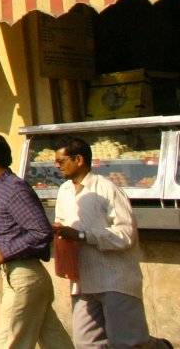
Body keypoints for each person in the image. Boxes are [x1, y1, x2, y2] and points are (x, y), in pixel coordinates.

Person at [51, 137, 172, 349]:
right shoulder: (64, 192)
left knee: (126, 343)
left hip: (115, 278)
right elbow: (62, 224)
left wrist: (82, 236)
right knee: (86, 343)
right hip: (82, 279)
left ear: (78, 159)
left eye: (61, 161)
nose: (57, 166)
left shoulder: (107, 190)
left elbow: (125, 234)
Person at [0, 131, 72, 348]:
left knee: (9, 343)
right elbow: (8, 238)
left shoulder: (13, 188)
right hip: (18, 276)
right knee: (55, 342)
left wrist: (4, 253)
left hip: (25, 278)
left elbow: (41, 231)